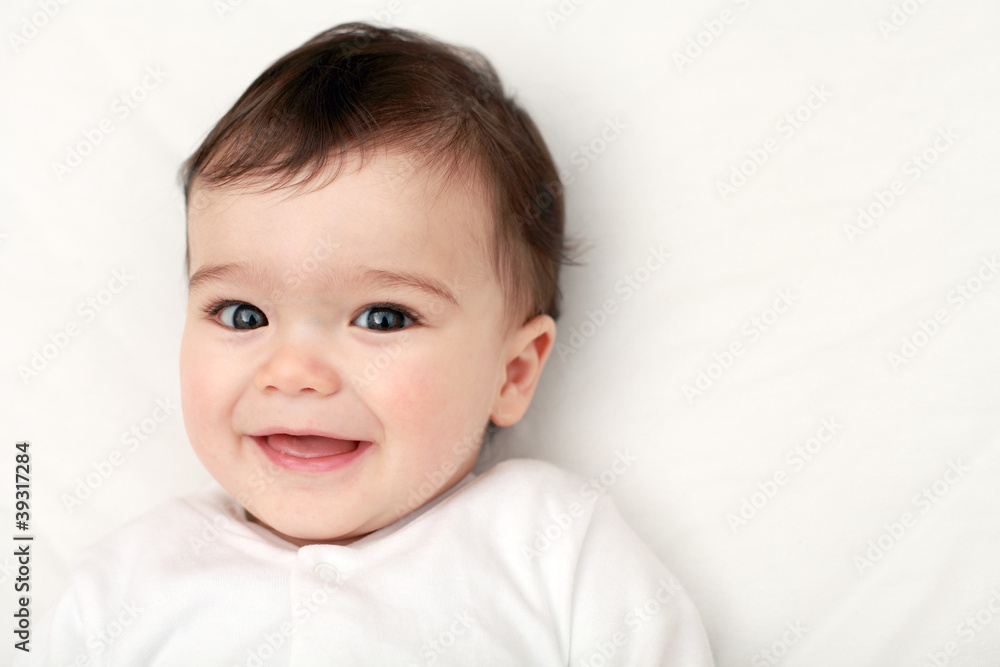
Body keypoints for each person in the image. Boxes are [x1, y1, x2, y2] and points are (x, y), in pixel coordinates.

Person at [19, 22, 714, 665]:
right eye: (240, 314)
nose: (292, 372)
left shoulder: (553, 544)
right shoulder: (122, 585)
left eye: (382, 317)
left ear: (513, 371)